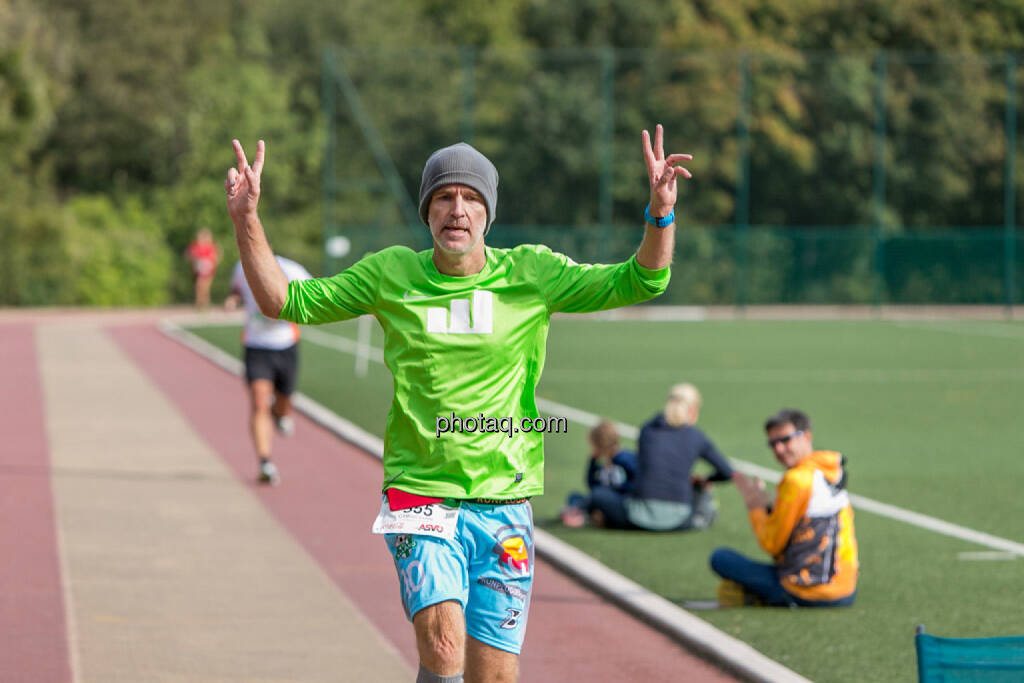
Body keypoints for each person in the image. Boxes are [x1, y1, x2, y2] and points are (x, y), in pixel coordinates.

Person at [224, 125, 690, 683]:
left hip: (504, 497)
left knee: (494, 675)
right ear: (427, 211)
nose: (458, 210)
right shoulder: (391, 273)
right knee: (444, 643)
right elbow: (284, 300)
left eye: (471, 198)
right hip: (419, 491)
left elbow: (643, 281)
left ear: (488, 213)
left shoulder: (532, 273)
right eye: (444, 197)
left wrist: (660, 213)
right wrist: (246, 220)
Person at [710, 408, 859, 607]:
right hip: (846, 589)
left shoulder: (796, 480)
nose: (779, 449)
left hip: (806, 589)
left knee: (720, 558)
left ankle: (764, 596)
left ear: (806, 436)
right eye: (773, 444)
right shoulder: (831, 471)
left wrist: (755, 507)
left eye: (785, 440)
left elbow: (772, 543)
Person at [588, 383, 733, 531]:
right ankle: (701, 517)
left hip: (638, 516)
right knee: (701, 489)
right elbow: (727, 472)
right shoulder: (697, 436)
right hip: (680, 520)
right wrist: (704, 480)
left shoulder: (647, 430)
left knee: (599, 495)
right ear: (692, 410)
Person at [225, 255, 313, 485]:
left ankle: (279, 413)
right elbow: (236, 289)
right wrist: (233, 299)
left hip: (285, 345)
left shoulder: (292, 269)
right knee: (258, 402)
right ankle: (265, 462)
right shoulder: (241, 267)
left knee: (284, 404)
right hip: (256, 346)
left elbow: (314, 294)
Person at [559, 419, 637, 528]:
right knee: (574, 496)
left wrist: (614, 492)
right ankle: (586, 513)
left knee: (597, 496)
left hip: (620, 502)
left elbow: (635, 483)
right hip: (602, 502)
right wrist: (593, 462)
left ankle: (578, 512)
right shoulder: (603, 462)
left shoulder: (625, 459)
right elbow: (591, 484)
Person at [185, 227, 220, 309]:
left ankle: (204, 303)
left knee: (205, 286)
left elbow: (216, 256)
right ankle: (200, 303)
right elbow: (189, 255)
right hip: (200, 269)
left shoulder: (211, 246)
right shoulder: (196, 246)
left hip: (209, 269)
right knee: (199, 286)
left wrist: (212, 263)